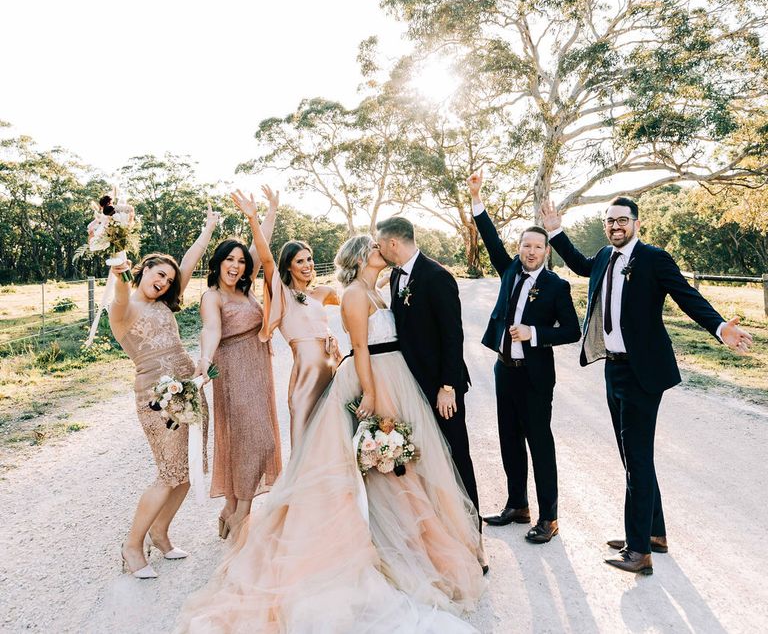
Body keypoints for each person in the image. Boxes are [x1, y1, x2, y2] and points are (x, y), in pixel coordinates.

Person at [175, 231, 485, 633]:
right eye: (374, 248)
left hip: (386, 376)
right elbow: (358, 344)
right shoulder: (351, 294)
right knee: (342, 460)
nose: (381, 250)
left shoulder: (376, 288)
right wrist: (370, 392)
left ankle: (405, 539)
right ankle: (257, 516)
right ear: (359, 257)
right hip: (357, 380)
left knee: (393, 465)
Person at [541, 196, 753, 574]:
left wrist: (721, 328)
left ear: (637, 223)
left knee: (636, 460)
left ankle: (639, 551)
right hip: (614, 369)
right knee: (632, 456)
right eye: (610, 221)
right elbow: (578, 264)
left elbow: (688, 297)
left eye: (622, 220)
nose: (615, 226)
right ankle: (653, 533)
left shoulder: (654, 258)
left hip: (643, 374)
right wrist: (555, 229)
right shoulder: (605, 257)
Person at [468, 170, 581, 544]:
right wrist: (477, 199)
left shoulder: (555, 286)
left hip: (535, 375)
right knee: (508, 439)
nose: (530, 252)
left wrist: (535, 334)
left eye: (537, 247)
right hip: (505, 371)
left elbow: (572, 331)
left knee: (539, 443)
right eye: (525, 246)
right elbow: (489, 240)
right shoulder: (511, 272)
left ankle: (549, 517)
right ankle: (518, 505)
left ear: (546, 251)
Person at [108, 205, 219, 578]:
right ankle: (131, 546)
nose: (165, 282)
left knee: (187, 472)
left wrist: (207, 229)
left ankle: (160, 532)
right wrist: (119, 265)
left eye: (170, 280)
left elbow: (189, 260)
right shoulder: (122, 309)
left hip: (188, 389)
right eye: (159, 274)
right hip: (155, 399)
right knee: (169, 472)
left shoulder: (163, 301)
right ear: (144, 271)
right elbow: (122, 293)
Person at [375, 217, 482, 532]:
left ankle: (473, 529)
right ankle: (442, 527)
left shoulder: (437, 276)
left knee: (455, 453)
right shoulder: (395, 276)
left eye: (380, 243)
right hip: (410, 385)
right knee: (427, 457)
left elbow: (453, 336)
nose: (378, 248)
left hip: (440, 386)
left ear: (393, 243)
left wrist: (447, 386)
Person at [196, 187, 281, 541]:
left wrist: (265, 211)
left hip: (258, 367)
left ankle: (230, 509)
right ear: (217, 264)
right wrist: (203, 361)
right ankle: (242, 512)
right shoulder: (212, 296)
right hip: (231, 370)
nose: (236, 266)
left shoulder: (245, 291)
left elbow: (262, 246)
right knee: (256, 441)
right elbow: (211, 331)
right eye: (229, 260)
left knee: (252, 440)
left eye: (240, 261)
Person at [232, 189, 341, 447]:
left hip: (333, 370)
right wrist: (254, 218)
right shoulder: (284, 294)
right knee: (305, 440)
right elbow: (266, 258)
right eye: (299, 260)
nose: (307, 265)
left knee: (334, 439)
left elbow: (355, 305)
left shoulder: (323, 293)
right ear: (289, 266)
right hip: (306, 376)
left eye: (309, 259)